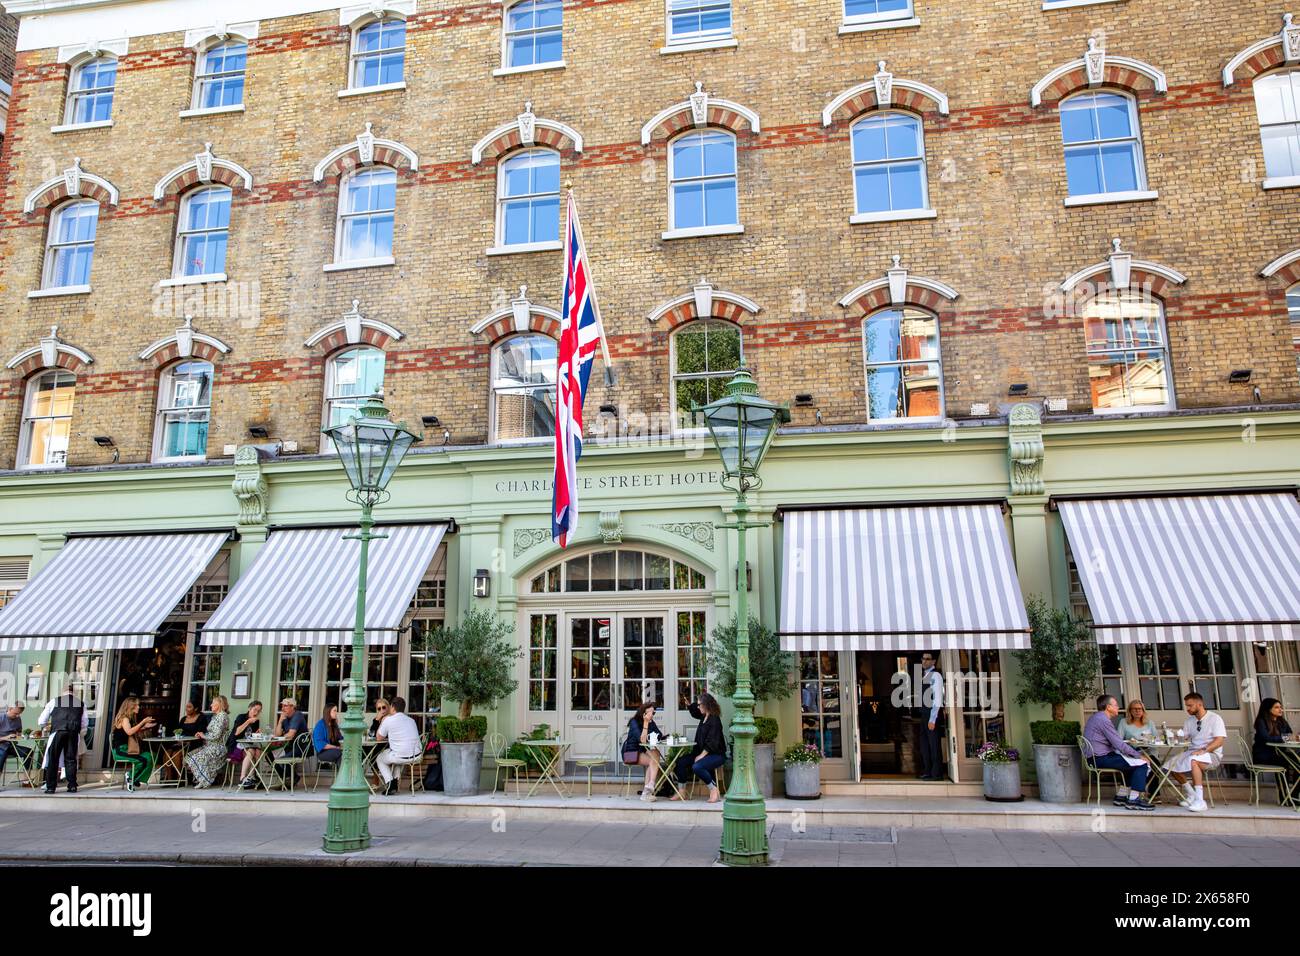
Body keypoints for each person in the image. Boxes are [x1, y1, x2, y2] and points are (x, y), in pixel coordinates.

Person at [1083, 695, 1155, 810]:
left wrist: (1132, 754)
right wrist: (1139, 756)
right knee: (1141, 763)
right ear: (1108, 707)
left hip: (1095, 757)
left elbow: (1116, 743)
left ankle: (1121, 797)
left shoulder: (1097, 717)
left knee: (1130, 761)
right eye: (1116, 705)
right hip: (1099, 758)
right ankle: (1133, 800)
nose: (1118, 707)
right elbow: (1119, 744)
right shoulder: (1103, 720)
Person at [1165, 692, 1226, 813]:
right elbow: (1184, 737)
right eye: (1186, 705)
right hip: (1193, 751)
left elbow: (1219, 741)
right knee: (1170, 765)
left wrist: (1203, 751)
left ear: (1200, 704)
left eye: (1190, 705)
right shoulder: (1189, 721)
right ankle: (1192, 794)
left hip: (1211, 754)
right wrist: (1172, 735)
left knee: (1194, 761)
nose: (1187, 708)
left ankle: (1200, 801)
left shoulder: (1215, 718)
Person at [670, 693, 727, 803]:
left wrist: (701, 755)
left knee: (697, 767)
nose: (698, 706)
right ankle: (682, 791)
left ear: (706, 705)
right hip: (702, 753)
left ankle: (714, 790)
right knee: (680, 762)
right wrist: (689, 705)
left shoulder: (714, 720)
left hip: (716, 755)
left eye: (699, 704)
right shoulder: (704, 716)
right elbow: (695, 712)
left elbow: (712, 742)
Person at [241, 698, 307, 790]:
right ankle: (286, 778)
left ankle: (290, 778)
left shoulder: (297, 716)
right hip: (289, 746)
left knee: (282, 758)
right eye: (282, 706)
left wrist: (282, 736)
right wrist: (280, 721)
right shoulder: (285, 717)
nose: (283, 708)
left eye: (285, 706)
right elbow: (277, 734)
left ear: (292, 707)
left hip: (300, 748)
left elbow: (290, 735)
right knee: (269, 756)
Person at [39, 685, 87, 794]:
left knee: (53, 758)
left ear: (63, 692)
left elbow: (41, 720)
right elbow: (84, 722)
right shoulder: (81, 703)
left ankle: (51, 787)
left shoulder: (54, 701)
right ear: (73, 692)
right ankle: (72, 785)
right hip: (73, 732)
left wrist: (47, 725)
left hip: (58, 731)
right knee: (71, 759)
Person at [375, 697, 421, 796]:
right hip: (415, 755)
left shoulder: (389, 720)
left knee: (379, 758)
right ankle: (395, 781)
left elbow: (378, 738)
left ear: (392, 707)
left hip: (400, 756)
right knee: (398, 756)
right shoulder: (411, 720)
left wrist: (378, 720)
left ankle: (391, 783)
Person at [110, 697, 157, 793]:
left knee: (151, 756)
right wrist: (142, 722)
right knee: (144, 760)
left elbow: (131, 731)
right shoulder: (124, 719)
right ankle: (131, 777)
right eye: (137, 705)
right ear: (131, 706)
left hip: (128, 749)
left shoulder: (130, 719)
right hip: (120, 750)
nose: (139, 707)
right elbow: (129, 732)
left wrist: (144, 727)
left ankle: (134, 779)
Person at [1252, 697, 1296, 800]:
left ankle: (1293, 794)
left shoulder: (1282, 722)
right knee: (1288, 762)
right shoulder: (1261, 722)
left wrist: (1293, 737)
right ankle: (1284, 797)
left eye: (1280, 707)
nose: (1280, 710)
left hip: (1279, 754)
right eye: (1276, 707)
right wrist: (1285, 738)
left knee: (1297, 763)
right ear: (1268, 709)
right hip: (1263, 756)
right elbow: (1266, 738)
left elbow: (1289, 734)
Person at [185, 695, 232, 789]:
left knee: (196, 757)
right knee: (189, 756)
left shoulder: (222, 716)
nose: (211, 705)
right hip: (209, 746)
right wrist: (201, 734)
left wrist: (203, 736)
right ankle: (203, 779)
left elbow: (216, 735)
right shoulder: (216, 716)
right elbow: (211, 732)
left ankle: (205, 780)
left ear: (219, 704)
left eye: (213, 703)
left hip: (217, 748)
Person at [623, 701, 664, 803]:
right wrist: (646, 723)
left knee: (656, 753)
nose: (651, 715)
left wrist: (652, 727)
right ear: (643, 712)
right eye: (649, 712)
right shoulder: (634, 722)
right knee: (653, 760)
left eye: (653, 713)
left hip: (642, 751)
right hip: (630, 753)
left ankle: (649, 786)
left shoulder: (651, 722)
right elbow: (642, 740)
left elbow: (659, 734)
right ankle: (647, 791)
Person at [917, 652, 944, 781]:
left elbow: (937, 699)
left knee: (934, 745)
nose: (924, 661)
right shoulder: (924, 676)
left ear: (933, 662)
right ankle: (927, 771)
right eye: (923, 659)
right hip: (924, 714)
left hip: (931, 714)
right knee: (924, 745)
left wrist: (932, 719)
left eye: (927, 659)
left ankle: (937, 773)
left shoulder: (936, 676)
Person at [231, 701, 264, 785]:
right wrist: (248, 721)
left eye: (259, 711)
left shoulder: (256, 721)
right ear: (249, 708)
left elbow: (251, 738)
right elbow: (236, 732)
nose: (256, 713)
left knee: (258, 751)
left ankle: (251, 777)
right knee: (252, 751)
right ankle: (242, 778)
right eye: (255, 709)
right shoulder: (241, 717)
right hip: (235, 746)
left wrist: (257, 734)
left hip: (247, 745)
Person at [0, 703, 30, 778]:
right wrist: (7, 737)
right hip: (1, 746)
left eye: (19, 714)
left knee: (28, 752)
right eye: (16, 713)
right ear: (10, 709)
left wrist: (19, 735)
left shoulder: (18, 719)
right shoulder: (1, 717)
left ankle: (26, 780)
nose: (17, 716)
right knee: (2, 754)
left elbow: (19, 732)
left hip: (12, 746)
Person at [313, 703, 343, 769]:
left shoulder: (333, 724)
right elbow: (321, 744)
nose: (336, 713)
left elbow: (340, 738)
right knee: (342, 754)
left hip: (335, 750)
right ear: (328, 711)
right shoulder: (320, 725)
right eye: (334, 711)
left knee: (347, 753)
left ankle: (344, 776)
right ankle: (344, 777)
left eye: (336, 711)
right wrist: (336, 747)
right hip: (323, 753)